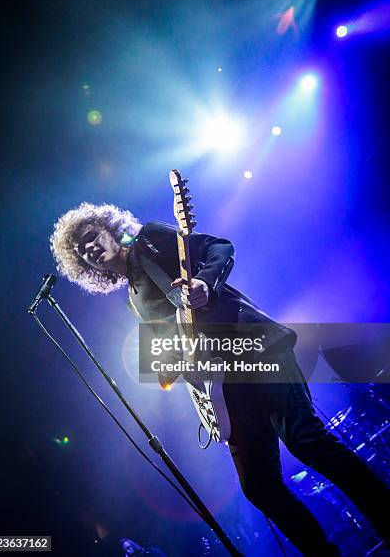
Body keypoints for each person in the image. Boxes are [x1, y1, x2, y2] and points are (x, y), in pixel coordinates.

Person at [50, 202, 389, 556]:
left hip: (253, 347)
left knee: (307, 442)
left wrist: (203, 284)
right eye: (81, 251)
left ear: (108, 227)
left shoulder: (150, 239)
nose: (89, 249)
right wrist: (169, 368)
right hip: (223, 387)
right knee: (259, 487)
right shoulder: (132, 299)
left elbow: (220, 247)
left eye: (91, 237)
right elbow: (171, 357)